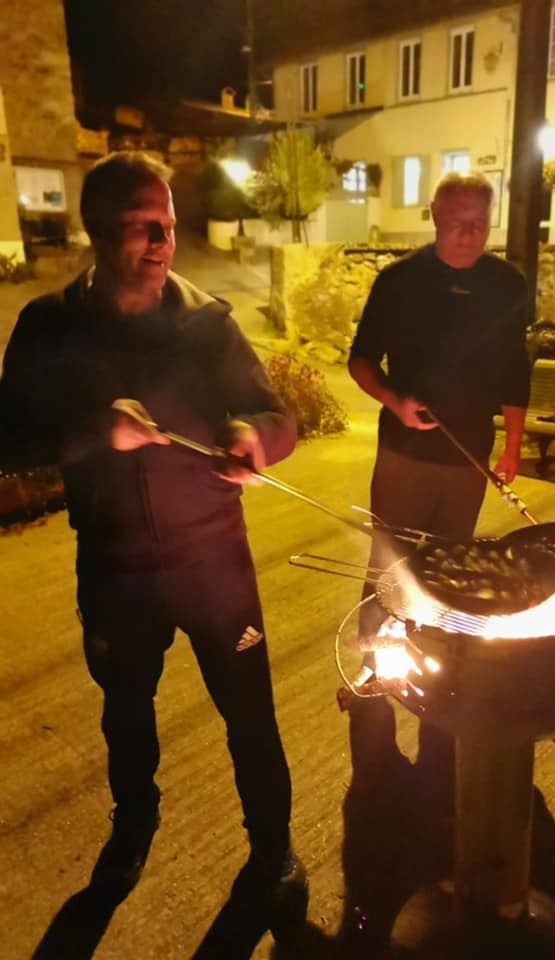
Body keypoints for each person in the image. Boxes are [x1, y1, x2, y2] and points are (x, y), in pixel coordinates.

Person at [0, 151, 307, 932]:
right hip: (113, 567)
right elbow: (10, 438)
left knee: (252, 717)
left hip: (214, 564)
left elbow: (277, 417)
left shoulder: (208, 325)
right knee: (126, 708)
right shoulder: (50, 328)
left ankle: (272, 848)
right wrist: (95, 433)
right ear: (98, 229)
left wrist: (254, 437)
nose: (164, 237)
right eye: (145, 223)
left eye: (168, 219)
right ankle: (135, 819)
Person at [347, 171, 531, 799]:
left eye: (480, 221)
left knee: (451, 571)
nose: (469, 233)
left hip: (467, 460)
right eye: (457, 221)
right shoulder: (399, 282)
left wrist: (510, 445)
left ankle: (440, 674)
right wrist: (396, 402)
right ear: (433, 216)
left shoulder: (507, 285)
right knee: (389, 562)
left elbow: (515, 371)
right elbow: (361, 361)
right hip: (403, 452)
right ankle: (374, 670)